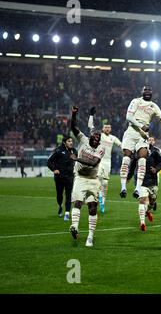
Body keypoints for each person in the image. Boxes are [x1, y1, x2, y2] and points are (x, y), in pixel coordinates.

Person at [119, 85, 161, 199]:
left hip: (143, 135)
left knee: (142, 159)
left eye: (149, 90)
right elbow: (128, 117)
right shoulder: (135, 101)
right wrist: (141, 125)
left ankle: (137, 189)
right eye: (145, 90)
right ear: (142, 92)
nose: (147, 92)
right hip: (132, 132)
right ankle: (123, 187)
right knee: (126, 157)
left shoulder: (154, 106)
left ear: (152, 93)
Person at [68, 106, 105, 247]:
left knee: (92, 207)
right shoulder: (82, 139)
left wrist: (76, 159)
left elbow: (93, 162)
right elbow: (73, 127)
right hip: (80, 177)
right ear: (90, 137)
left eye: (99, 138)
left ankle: (90, 236)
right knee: (77, 202)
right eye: (95, 137)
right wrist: (74, 113)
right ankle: (74, 227)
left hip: (93, 180)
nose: (97, 139)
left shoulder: (101, 149)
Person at [88, 107, 122, 214]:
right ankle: (98, 198)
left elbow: (122, 145)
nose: (107, 129)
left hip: (108, 162)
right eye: (105, 127)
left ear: (110, 129)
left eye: (109, 127)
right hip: (99, 161)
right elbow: (91, 127)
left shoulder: (113, 138)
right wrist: (91, 116)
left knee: (105, 183)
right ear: (103, 128)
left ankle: (103, 202)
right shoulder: (100, 136)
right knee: (97, 180)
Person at [137, 139, 161, 231]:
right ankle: (142, 223)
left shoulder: (154, 152)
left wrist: (156, 169)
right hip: (142, 182)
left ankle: (148, 211)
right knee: (142, 200)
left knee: (152, 200)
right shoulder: (138, 151)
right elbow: (133, 163)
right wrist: (128, 177)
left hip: (153, 181)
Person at [47, 136, 77, 220]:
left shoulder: (74, 151)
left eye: (71, 141)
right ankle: (60, 205)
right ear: (64, 142)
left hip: (70, 177)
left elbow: (77, 161)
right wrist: (54, 169)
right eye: (69, 141)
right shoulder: (59, 151)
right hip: (59, 177)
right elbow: (49, 162)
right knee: (59, 195)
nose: (71, 142)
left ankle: (67, 213)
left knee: (69, 195)